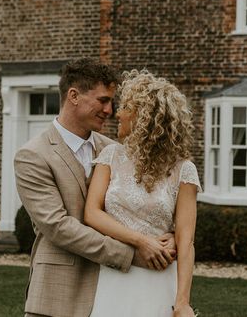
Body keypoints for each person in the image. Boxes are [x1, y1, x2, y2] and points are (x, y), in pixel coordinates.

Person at [14, 59, 175, 317]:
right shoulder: (33, 155)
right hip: (60, 290)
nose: (110, 110)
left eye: (112, 102)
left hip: (116, 289)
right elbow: (58, 226)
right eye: (103, 100)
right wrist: (132, 254)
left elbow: (145, 202)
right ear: (74, 96)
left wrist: (170, 235)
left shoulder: (115, 151)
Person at [84, 70, 201, 317]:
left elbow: (186, 241)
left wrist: (182, 302)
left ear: (143, 116)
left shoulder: (184, 170)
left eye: (125, 107)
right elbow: (92, 213)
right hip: (113, 276)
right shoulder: (110, 157)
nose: (117, 113)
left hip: (157, 279)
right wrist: (141, 241)